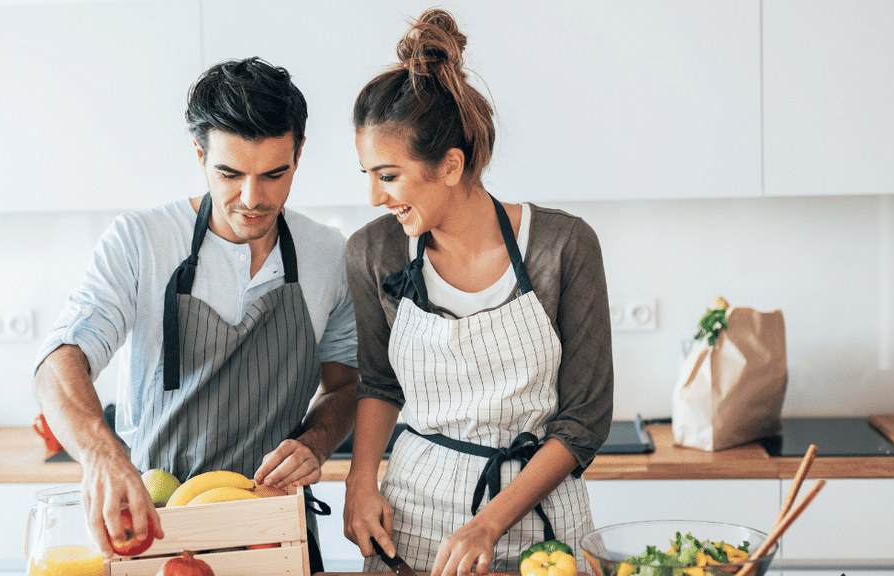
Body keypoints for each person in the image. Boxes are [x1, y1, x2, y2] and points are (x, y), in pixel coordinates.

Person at [32, 57, 358, 571]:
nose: (252, 199)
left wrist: (315, 442)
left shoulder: (327, 255)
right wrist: (100, 452)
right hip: (157, 523)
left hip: (272, 528)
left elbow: (344, 385)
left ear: (298, 155)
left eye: (275, 174)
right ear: (200, 155)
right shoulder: (141, 241)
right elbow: (60, 361)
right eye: (229, 173)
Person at [342, 9, 614, 576]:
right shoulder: (376, 252)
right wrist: (360, 479)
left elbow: (583, 420)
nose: (374, 197)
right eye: (367, 174)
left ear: (450, 165)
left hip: (544, 529)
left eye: (387, 176)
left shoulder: (562, 246)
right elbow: (379, 381)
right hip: (413, 523)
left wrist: (489, 521)